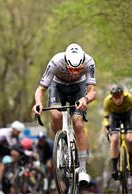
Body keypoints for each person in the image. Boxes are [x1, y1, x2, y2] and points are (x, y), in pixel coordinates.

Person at [32, 43, 97, 185]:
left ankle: (82, 170)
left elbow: (93, 91)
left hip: (79, 88)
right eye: (71, 69)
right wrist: (38, 103)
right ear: (66, 62)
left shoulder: (89, 62)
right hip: (58, 86)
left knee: (78, 123)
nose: (74, 72)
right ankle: (61, 142)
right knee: (56, 115)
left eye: (78, 69)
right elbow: (40, 89)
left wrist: (85, 99)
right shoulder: (56, 62)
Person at [102, 85, 132, 180]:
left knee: (131, 139)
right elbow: (105, 118)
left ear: (123, 95)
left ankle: (131, 162)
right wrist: (107, 125)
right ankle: (114, 168)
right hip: (114, 117)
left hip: (127, 116)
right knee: (114, 139)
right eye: (114, 97)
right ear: (112, 97)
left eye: (119, 97)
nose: (117, 100)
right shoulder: (107, 101)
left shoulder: (130, 98)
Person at [0, 120, 26, 194]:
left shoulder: (13, 134)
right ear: (14, 129)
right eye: (18, 132)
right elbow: (13, 146)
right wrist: (24, 151)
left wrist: (23, 152)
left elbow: (16, 146)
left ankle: (9, 170)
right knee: (1, 167)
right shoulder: (8, 133)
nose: (19, 134)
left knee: (15, 154)